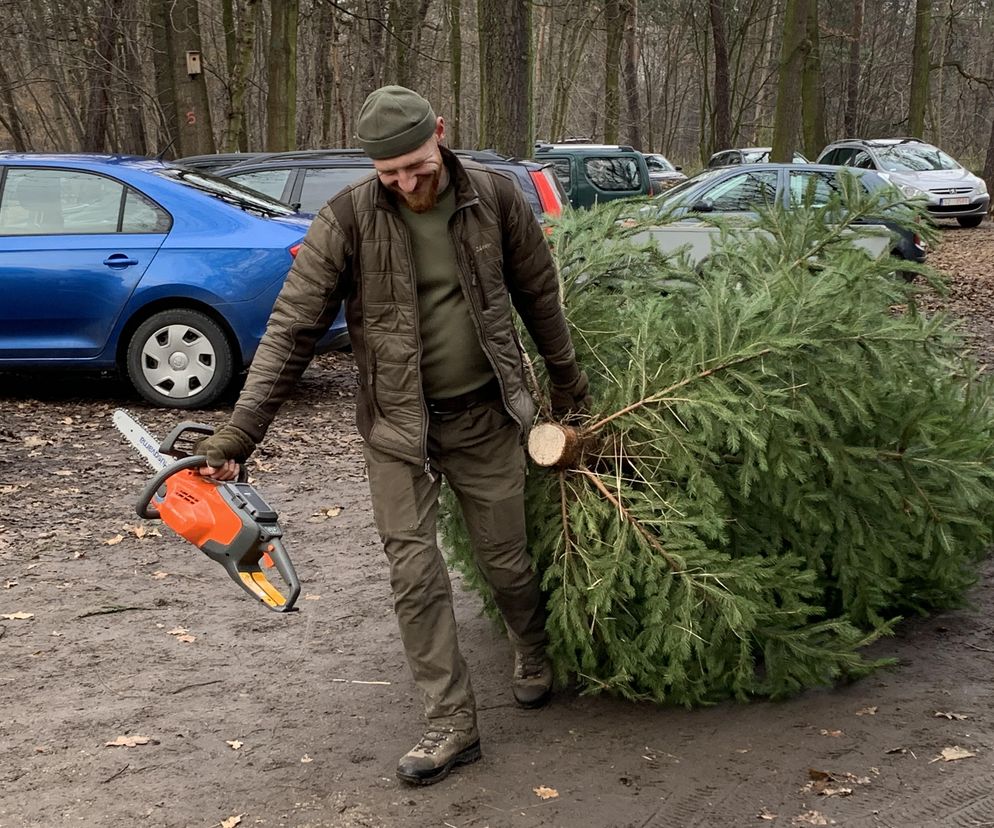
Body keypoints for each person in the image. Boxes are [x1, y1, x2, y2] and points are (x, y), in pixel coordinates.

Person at [195, 85, 590, 786]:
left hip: (486, 415)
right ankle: (451, 724)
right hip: (396, 427)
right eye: (390, 173)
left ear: (440, 132)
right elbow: (290, 331)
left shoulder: (496, 200)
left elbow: (540, 300)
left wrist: (570, 394)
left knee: (508, 564)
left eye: (417, 165)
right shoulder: (346, 219)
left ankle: (531, 647)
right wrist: (238, 435)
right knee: (413, 575)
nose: (408, 183)